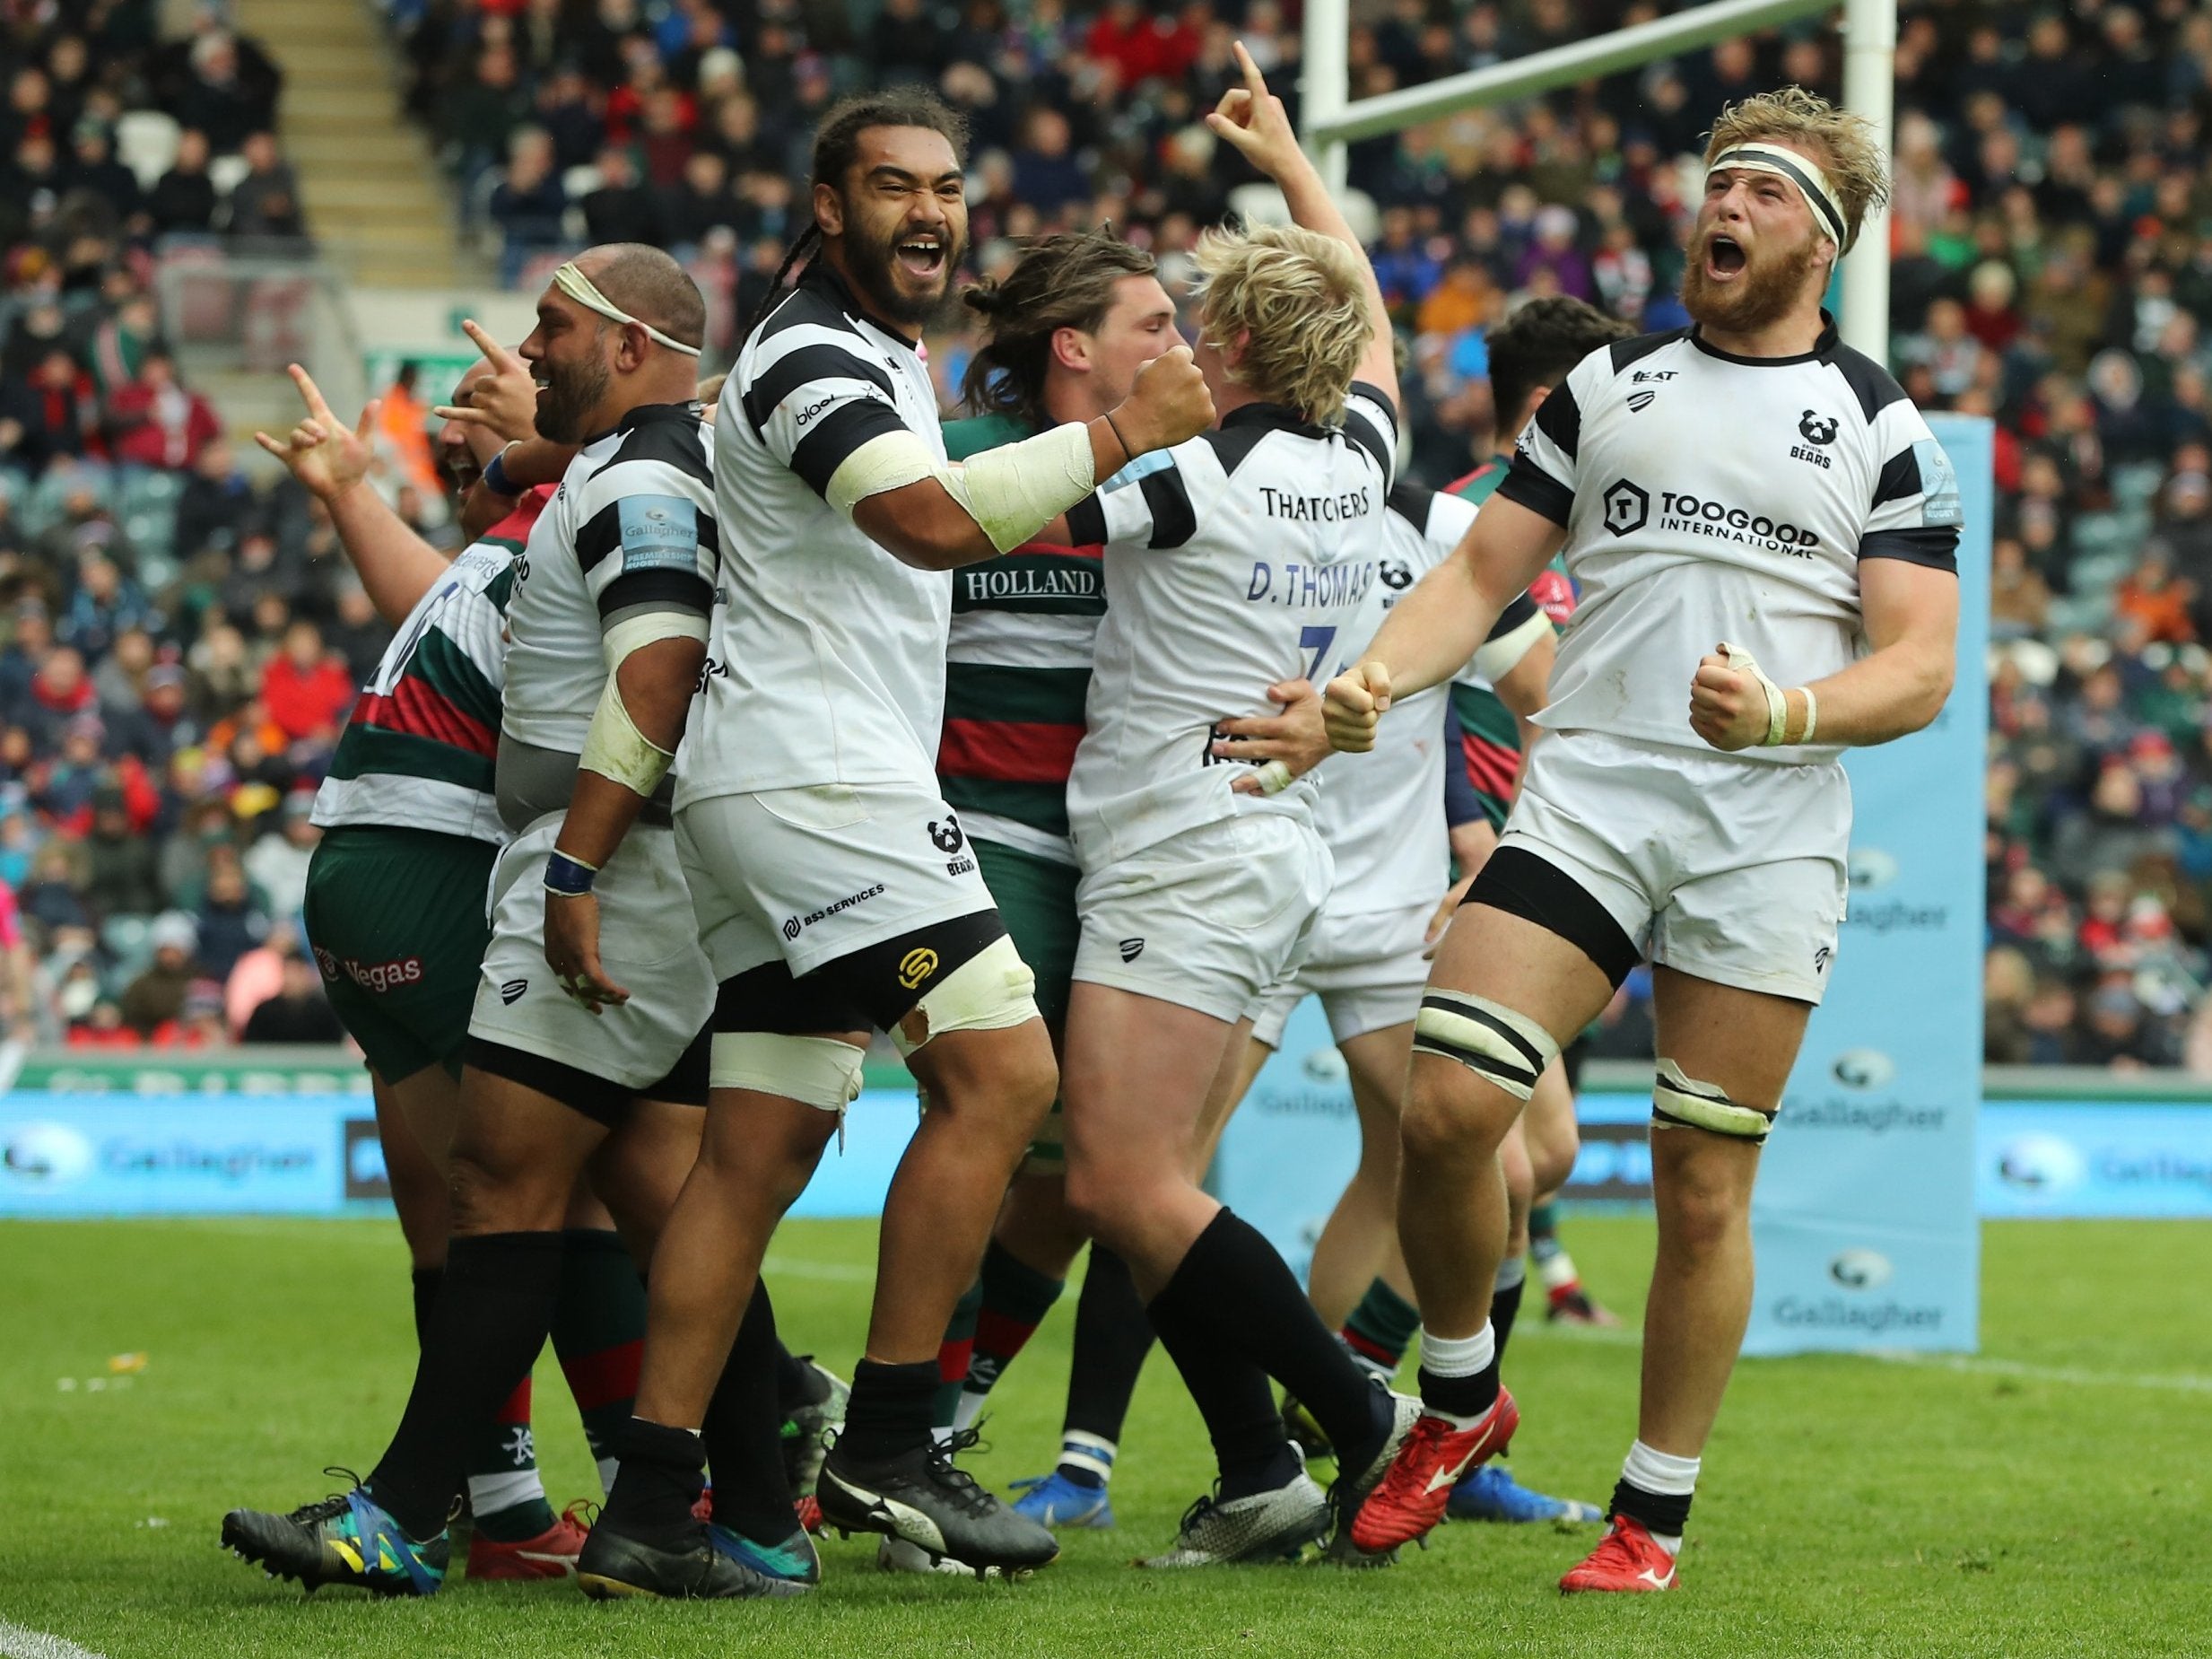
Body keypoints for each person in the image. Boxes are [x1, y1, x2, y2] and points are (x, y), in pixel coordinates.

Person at [574, 88, 1210, 1591]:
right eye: (890, 186)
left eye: (944, 186)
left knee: (759, 1148)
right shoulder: (802, 346)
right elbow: (924, 524)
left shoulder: (873, 352)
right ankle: (890, 1437)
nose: (926, 211)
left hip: (774, 792)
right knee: (1004, 1074)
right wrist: (1120, 430)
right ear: (824, 198)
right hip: (822, 788)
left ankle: (654, 1506)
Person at [1330, 89, 1961, 1592]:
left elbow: (1920, 662)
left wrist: (1789, 709)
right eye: (1713, 184)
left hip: (1761, 830)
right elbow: (1481, 570)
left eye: (1755, 191)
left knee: (1697, 1181)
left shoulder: (1879, 421)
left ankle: (1648, 1517)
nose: (1719, 209)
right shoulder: (1603, 382)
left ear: (1821, 237)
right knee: (1443, 1110)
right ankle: (1464, 1400)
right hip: (1593, 796)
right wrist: (1373, 673)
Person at [222, 247, 802, 1601]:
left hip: (604, 871)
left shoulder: (649, 474)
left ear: (637, 346)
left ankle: (428, 1511)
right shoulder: (606, 474)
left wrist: (577, 868)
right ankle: (748, 1508)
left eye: (551, 330)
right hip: (599, 866)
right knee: (647, 1194)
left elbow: (657, 674)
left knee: (518, 1188)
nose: (527, 352)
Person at [1049, 46, 1415, 1567]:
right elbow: (1375, 326)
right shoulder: (1368, 461)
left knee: (1120, 1183)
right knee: (1151, 1191)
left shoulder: (1182, 471)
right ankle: (1262, 1464)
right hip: (1269, 845)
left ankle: (1355, 1413)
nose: (1179, 341)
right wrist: (1287, 171)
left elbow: (986, 519)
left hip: (1180, 840)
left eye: (1204, 320)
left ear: (1247, 338)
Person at [916, 231, 1185, 1533]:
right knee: (1003, 1113)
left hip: (1119, 850)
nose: (1177, 347)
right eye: (1153, 324)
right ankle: (897, 1427)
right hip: (980, 833)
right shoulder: (957, 458)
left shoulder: (1186, 472)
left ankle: (935, 1415)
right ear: (1074, 346)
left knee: (1093, 1171)